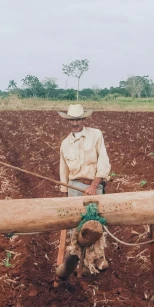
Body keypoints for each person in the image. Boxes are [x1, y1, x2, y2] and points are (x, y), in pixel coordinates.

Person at [58, 104, 111, 272]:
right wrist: (65, 194)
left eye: (78, 119)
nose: (75, 123)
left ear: (84, 119)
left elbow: (103, 160)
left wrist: (95, 185)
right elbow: (63, 171)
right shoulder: (65, 144)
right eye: (72, 120)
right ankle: (77, 259)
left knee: (95, 223)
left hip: (93, 186)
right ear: (68, 121)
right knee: (76, 227)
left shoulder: (96, 135)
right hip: (74, 187)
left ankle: (97, 257)